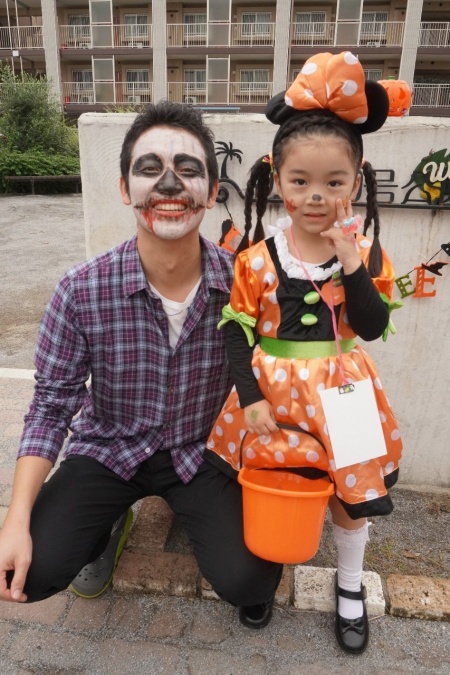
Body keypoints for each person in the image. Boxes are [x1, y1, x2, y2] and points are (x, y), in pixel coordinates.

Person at [0, 101, 282, 628]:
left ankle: (199, 520)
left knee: (250, 582)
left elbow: (283, 372)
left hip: (201, 453)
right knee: (31, 572)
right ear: (126, 189)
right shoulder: (80, 290)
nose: (169, 184)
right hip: (109, 449)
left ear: (212, 191)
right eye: (150, 168)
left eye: (188, 169)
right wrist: (15, 520)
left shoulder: (247, 286)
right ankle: (104, 526)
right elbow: (51, 405)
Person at [206, 52, 403, 653]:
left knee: (348, 493)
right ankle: (261, 575)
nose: (316, 197)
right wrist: (250, 397)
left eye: (334, 183)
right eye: (300, 182)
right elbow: (236, 331)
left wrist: (350, 260)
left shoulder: (366, 254)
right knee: (269, 477)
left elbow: (371, 327)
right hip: (268, 395)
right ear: (277, 180)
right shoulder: (255, 259)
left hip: (344, 393)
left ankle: (349, 586)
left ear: (357, 180)